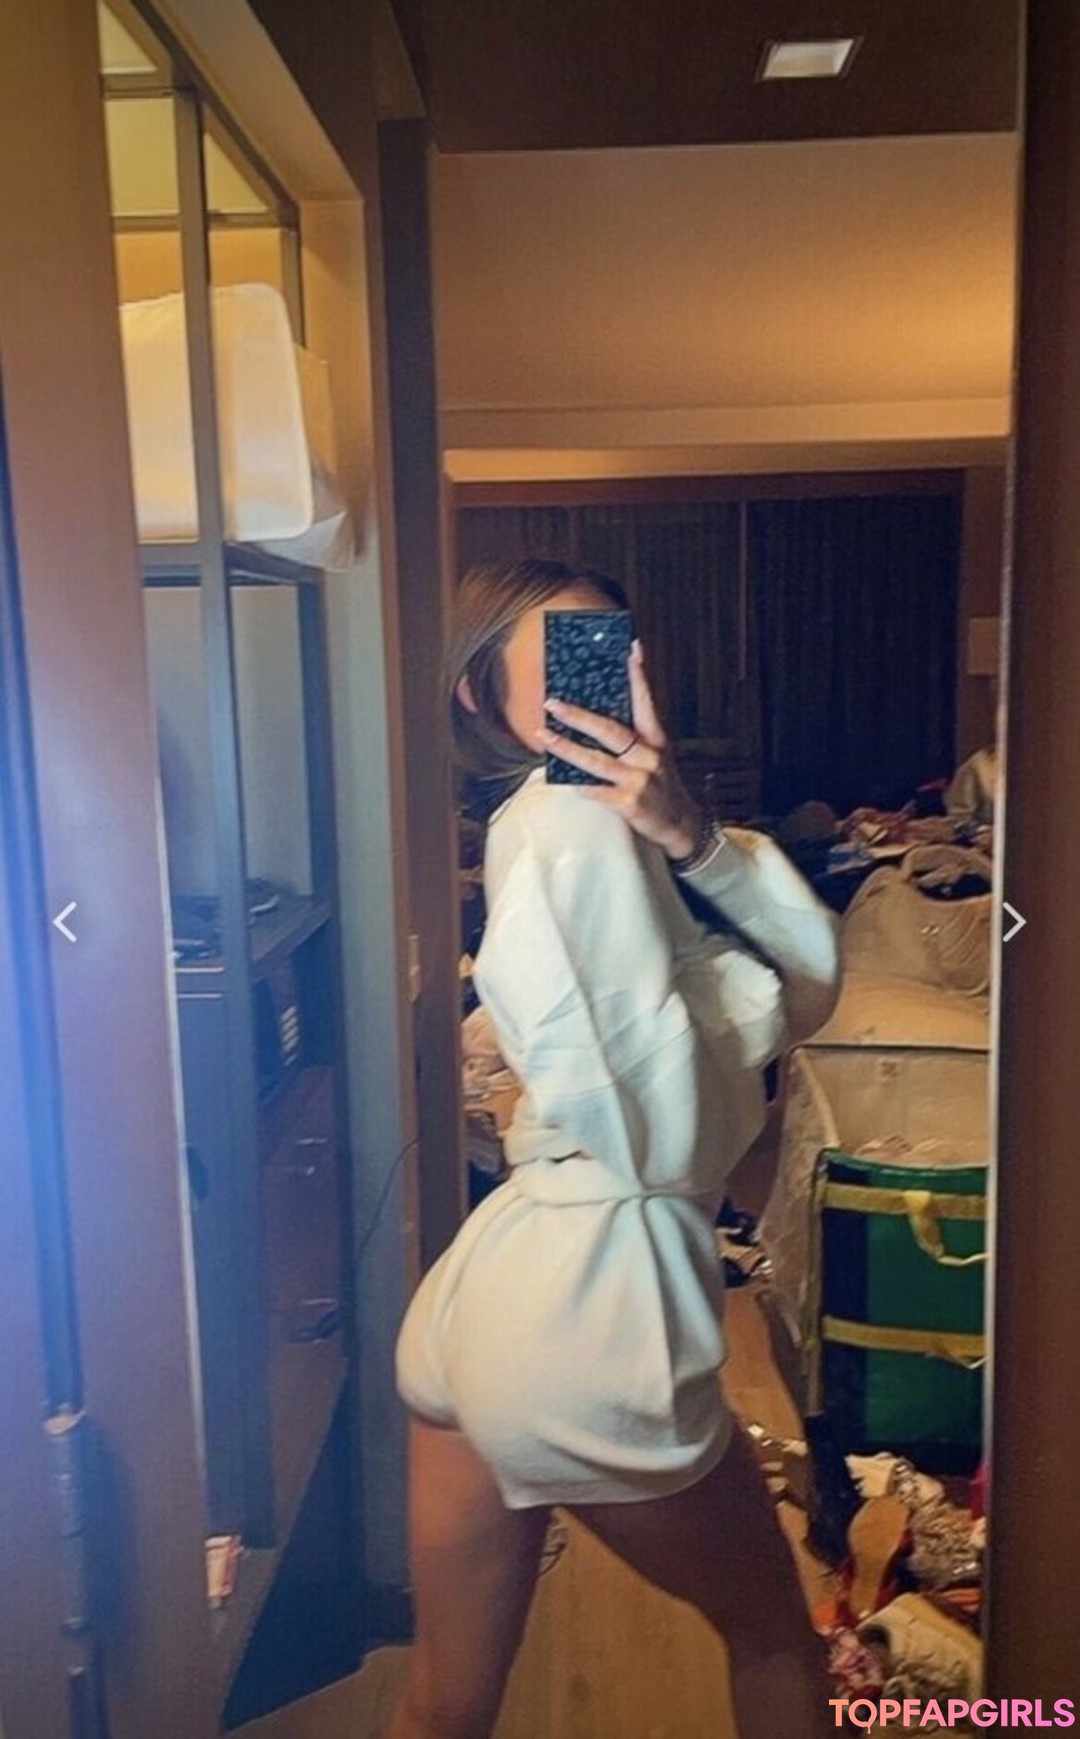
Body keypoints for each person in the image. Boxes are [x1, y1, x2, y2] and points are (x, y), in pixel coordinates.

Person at [389, 559, 842, 1739]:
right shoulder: (571, 827)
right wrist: (730, 985)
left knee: (443, 1703)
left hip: (494, 1288)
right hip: (594, 1300)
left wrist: (690, 832)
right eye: (564, 659)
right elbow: (673, 1117)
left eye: (614, 648)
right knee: (778, 1639)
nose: (607, 677)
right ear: (480, 696)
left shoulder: (595, 827)